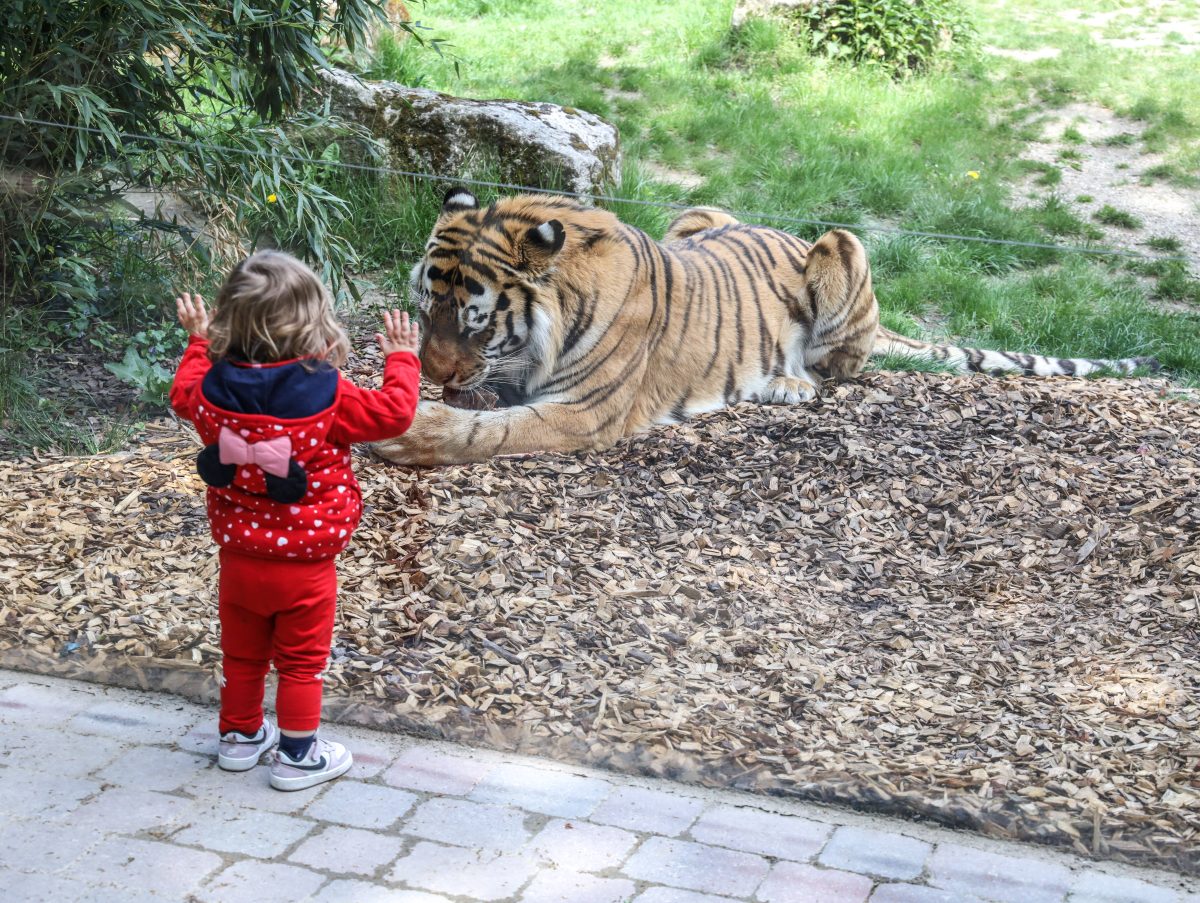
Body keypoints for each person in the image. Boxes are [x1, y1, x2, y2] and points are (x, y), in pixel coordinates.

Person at [169, 250, 421, 791]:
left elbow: (181, 394)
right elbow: (394, 414)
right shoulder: (330, 394)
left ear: (227, 319)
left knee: (242, 655)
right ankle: (298, 757)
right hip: (306, 564)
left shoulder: (211, 390)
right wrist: (402, 357)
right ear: (314, 323)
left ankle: (238, 739)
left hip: (238, 556)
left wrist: (195, 341)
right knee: (302, 664)